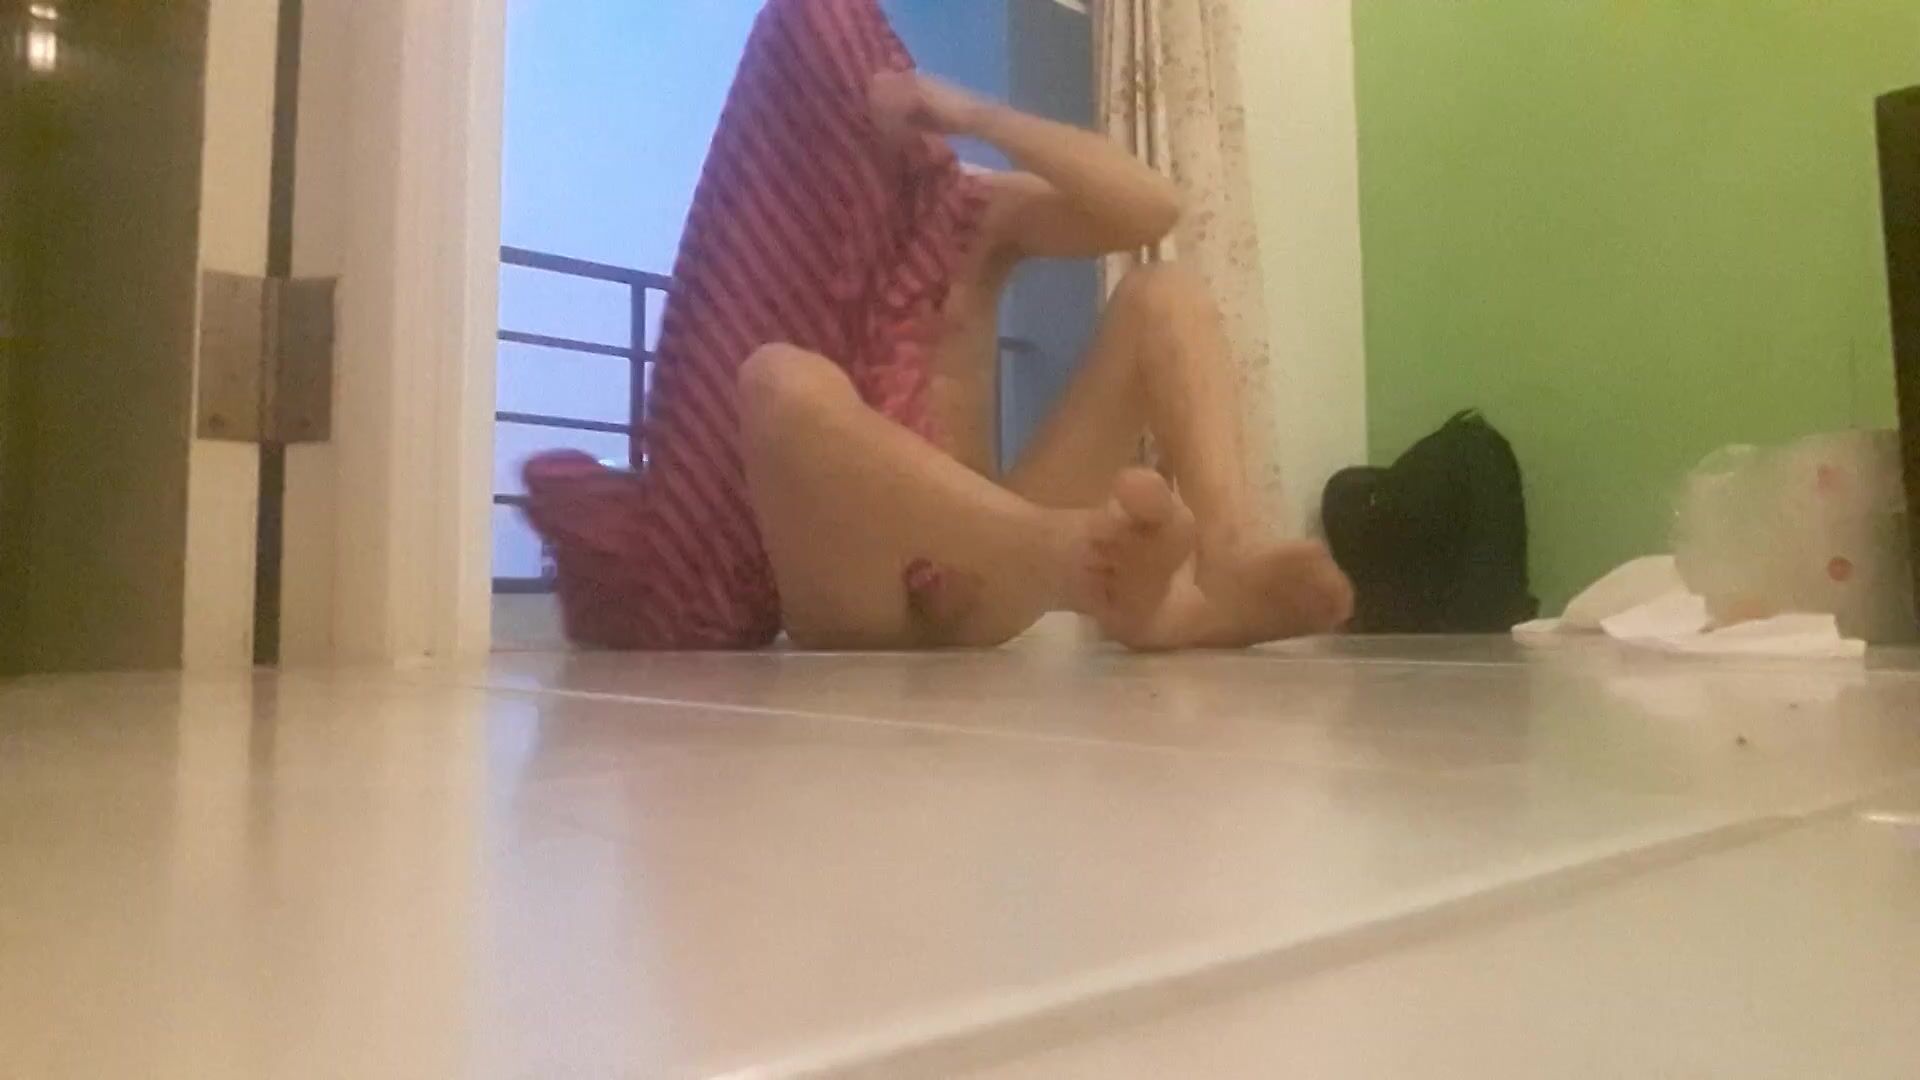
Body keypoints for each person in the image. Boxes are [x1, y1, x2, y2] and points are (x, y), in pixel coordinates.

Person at [735, 71, 1355, 650]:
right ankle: (1082, 563)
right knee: (777, 380)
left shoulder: (967, 207)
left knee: (1165, 294)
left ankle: (1229, 555)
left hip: (981, 575)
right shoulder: (761, 240)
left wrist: (980, 117)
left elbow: (1153, 209)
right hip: (855, 591)